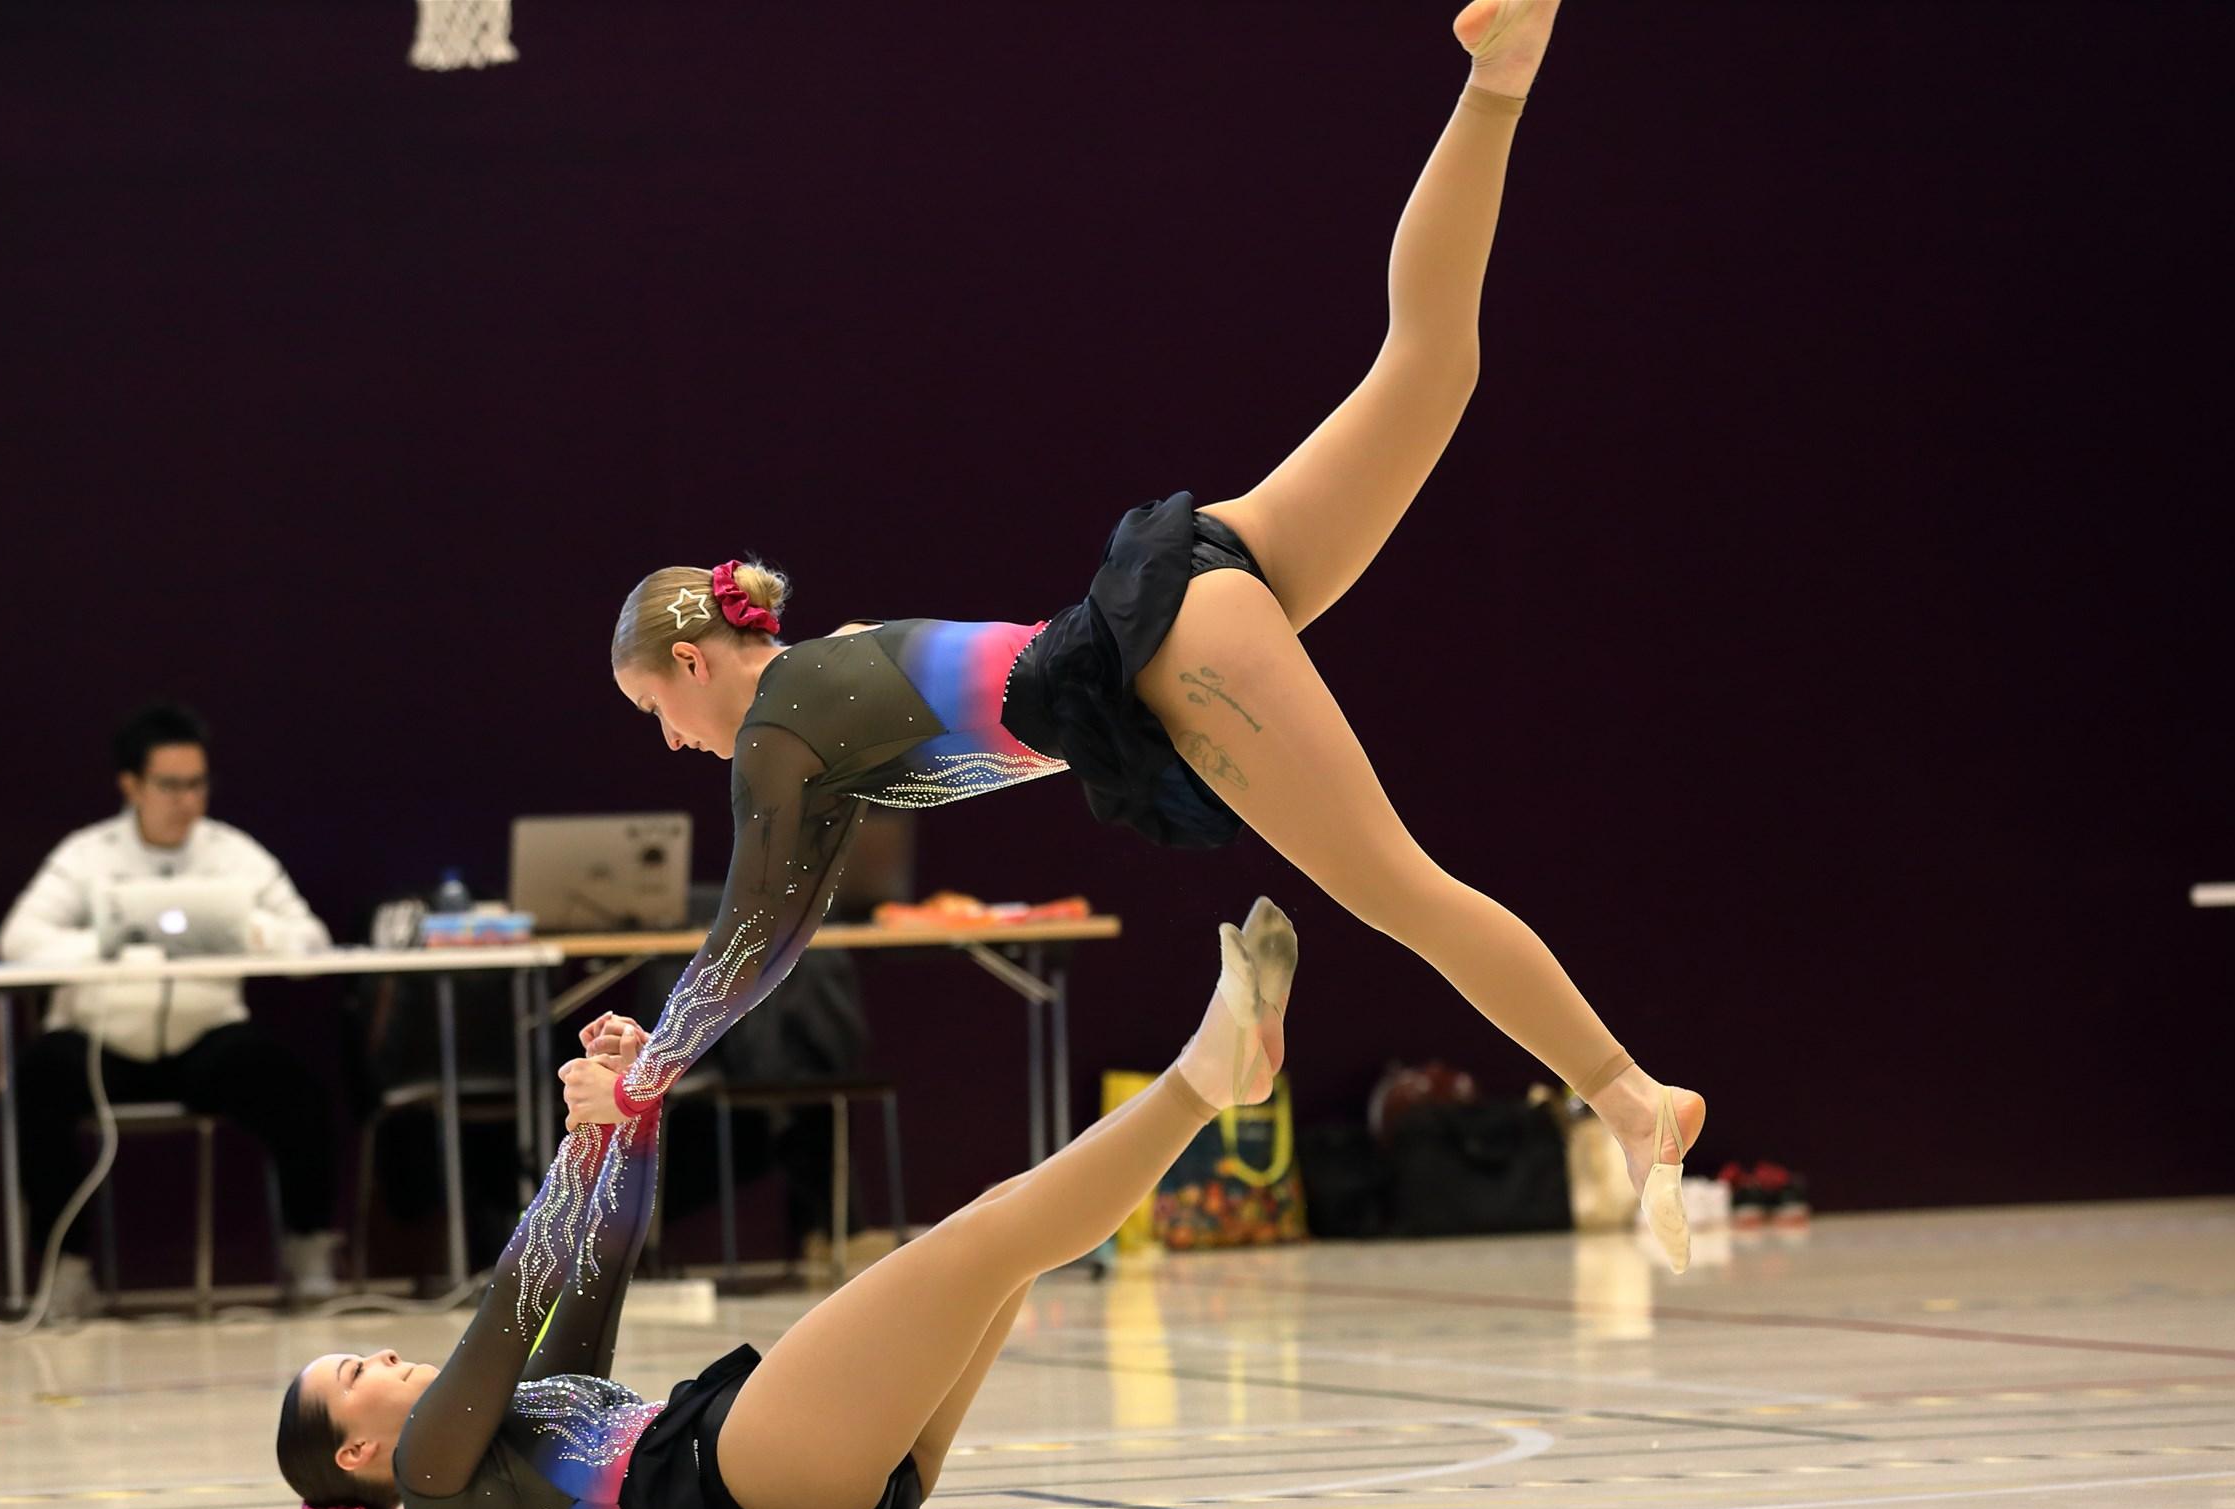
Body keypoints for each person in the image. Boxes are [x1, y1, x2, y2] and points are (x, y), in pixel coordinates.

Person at [589, 0, 1707, 1283]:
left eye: (653, 710)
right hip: (1197, 573)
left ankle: (1629, 1095)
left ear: (692, 661)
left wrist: (647, 1070)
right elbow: (786, 917)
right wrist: (659, 1048)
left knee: (1401, 887)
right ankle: (1498, 83)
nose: (671, 741)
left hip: (1167, 646)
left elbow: (756, 932)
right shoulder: (819, 680)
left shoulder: (777, 732)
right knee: (1427, 366)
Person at [275, 900, 1295, 1509]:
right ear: (357, 1452)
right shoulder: (433, 1476)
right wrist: (584, 1140)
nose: (387, 1355)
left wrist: (634, 1116)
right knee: (979, 1244)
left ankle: (1219, 1078)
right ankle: (1205, 1077)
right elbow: (513, 1302)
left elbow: (603, 1260)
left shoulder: (519, 1417)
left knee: (1002, 1228)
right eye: (357, 1372)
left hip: (793, 1477)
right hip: (737, 1479)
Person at [0, 701, 341, 1313]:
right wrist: (113, 944)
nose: (186, 800)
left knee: (290, 1082)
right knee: (39, 1077)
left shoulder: (235, 854)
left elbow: (311, 942)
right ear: (131, 785)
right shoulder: (85, 855)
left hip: (203, 1038)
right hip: (101, 1041)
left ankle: (307, 1254)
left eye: (197, 784)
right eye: (169, 785)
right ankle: (65, 1271)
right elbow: (18, 942)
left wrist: (248, 932)